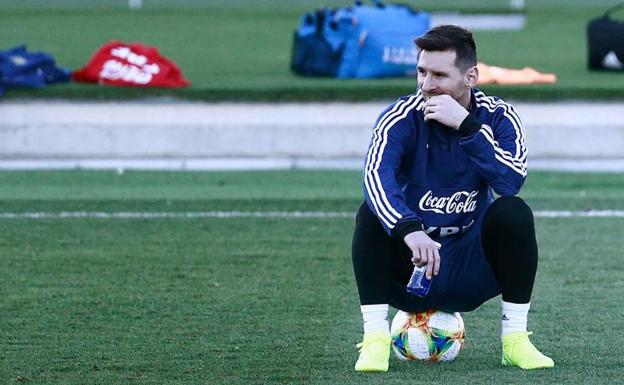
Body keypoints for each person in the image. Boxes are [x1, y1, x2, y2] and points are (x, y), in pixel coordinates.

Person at [352, 24, 554, 372]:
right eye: (421, 71)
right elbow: (375, 177)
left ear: (470, 77)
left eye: (440, 75)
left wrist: (468, 127)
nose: (427, 84)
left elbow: (511, 181)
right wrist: (409, 229)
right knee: (370, 213)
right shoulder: (400, 117)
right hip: (410, 264)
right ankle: (375, 340)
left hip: (469, 266)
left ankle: (515, 340)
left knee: (513, 213)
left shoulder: (498, 116)